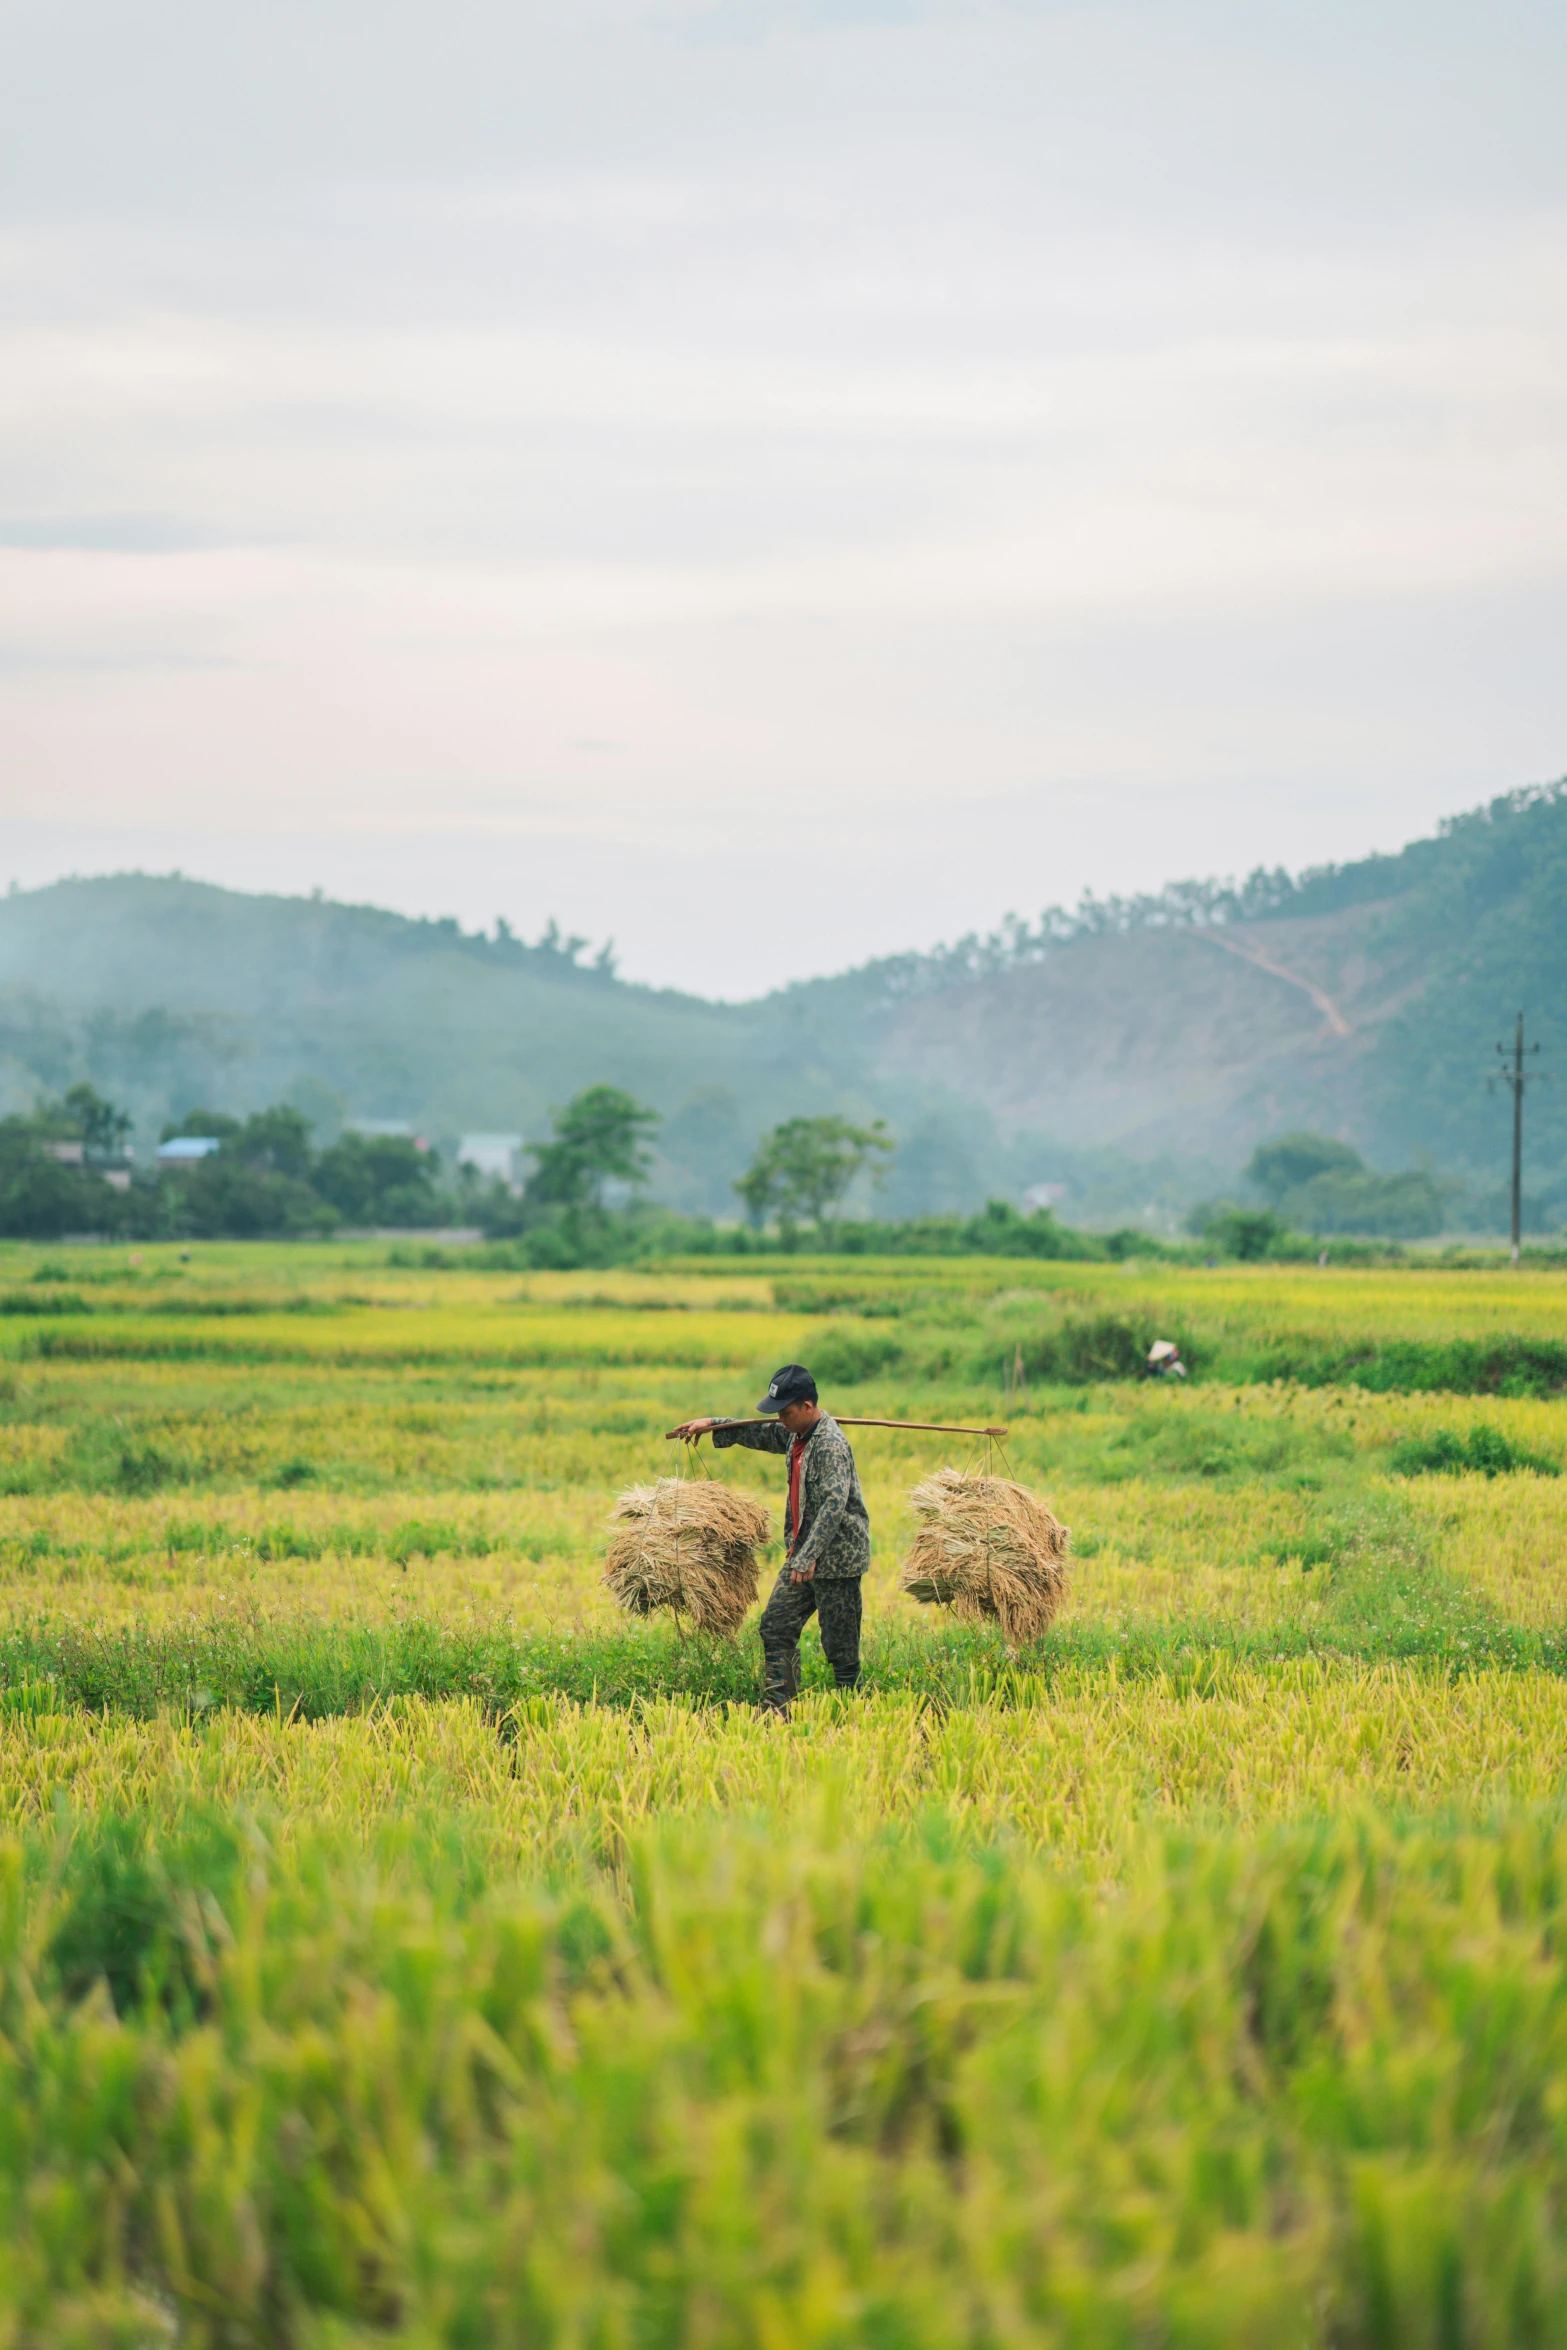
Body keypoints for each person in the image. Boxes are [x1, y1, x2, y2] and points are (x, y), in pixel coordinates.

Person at [670, 1363, 870, 1714]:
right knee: (775, 1627)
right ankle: (779, 1710)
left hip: (835, 1561)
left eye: (786, 1412)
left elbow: (833, 1507)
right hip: (801, 1557)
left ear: (807, 1407)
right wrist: (713, 1423)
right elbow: (758, 1434)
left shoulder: (830, 1446)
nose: (780, 1420)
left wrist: (808, 1557)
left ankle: (852, 1715)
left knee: (842, 1651)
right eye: (777, 1412)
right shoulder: (797, 1434)